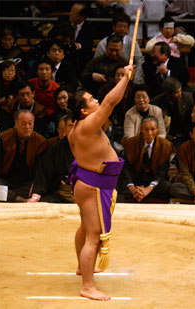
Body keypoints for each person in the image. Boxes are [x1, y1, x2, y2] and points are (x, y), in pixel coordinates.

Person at [68, 64, 133, 300]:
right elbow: (110, 102)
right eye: (91, 99)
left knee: (85, 228)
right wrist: (126, 77)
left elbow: (78, 154)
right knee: (93, 236)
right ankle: (87, 286)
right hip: (93, 186)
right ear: (84, 111)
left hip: (86, 181)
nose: (96, 101)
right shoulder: (88, 125)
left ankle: (80, 267)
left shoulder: (74, 127)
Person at [0, 110, 49, 202]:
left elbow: (39, 172)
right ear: (16, 123)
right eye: (23, 123)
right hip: (4, 180)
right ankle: (19, 199)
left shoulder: (40, 142)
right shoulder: (3, 138)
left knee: (37, 188)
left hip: (26, 183)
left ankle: (6, 196)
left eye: (30, 123)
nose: (27, 127)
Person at [118, 116, 174, 203]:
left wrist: (147, 189)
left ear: (157, 129)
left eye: (153, 129)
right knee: (119, 184)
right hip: (135, 180)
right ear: (141, 129)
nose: (149, 133)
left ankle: (141, 194)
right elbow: (125, 169)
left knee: (167, 186)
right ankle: (137, 193)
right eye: (146, 130)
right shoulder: (131, 143)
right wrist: (132, 189)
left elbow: (162, 173)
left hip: (153, 183)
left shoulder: (165, 145)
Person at [27, 114, 75, 203]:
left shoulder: (92, 146)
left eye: (77, 126)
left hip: (87, 194)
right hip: (61, 194)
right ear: (65, 129)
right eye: (70, 126)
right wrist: (36, 196)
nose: (73, 129)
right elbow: (44, 172)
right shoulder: (57, 147)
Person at [94, 11, 144, 84]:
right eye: (120, 26)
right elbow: (97, 63)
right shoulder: (103, 43)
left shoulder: (132, 42)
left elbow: (139, 61)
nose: (122, 29)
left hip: (128, 78)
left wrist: (136, 80)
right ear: (113, 27)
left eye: (125, 27)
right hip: (107, 77)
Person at [150, 77, 193, 148]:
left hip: (187, 135)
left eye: (180, 91)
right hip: (167, 137)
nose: (180, 94)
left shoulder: (189, 98)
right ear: (168, 94)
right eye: (176, 92)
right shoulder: (156, 103)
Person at [170, 123, 195, 204]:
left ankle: (190, 199)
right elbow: (185, 174)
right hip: (192, 184)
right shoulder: (184, 148)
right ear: (191, 135)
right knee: (174, 188)